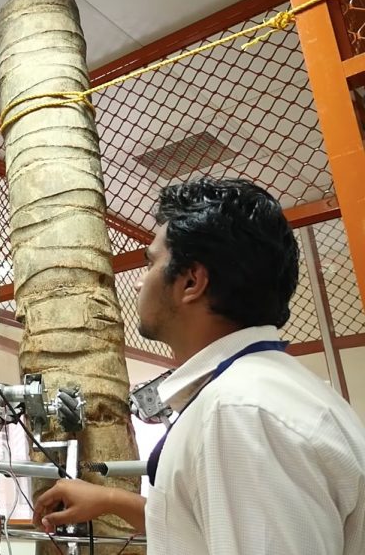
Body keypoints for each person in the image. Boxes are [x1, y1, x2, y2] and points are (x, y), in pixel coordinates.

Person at [33, 178, 365, 554]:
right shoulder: (265, 390)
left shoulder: (240, 413)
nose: (139, 283)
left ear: (191, 281)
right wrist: (111, 500)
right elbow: (204, 527)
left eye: (150, 263)